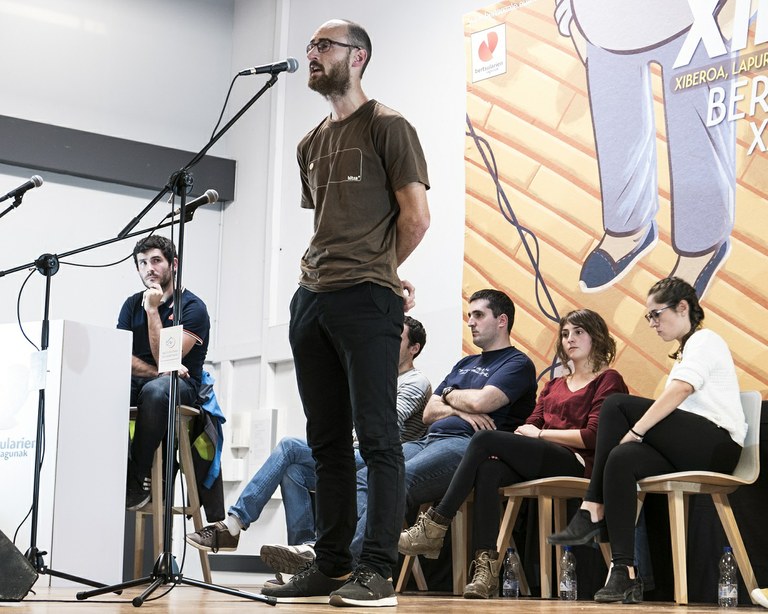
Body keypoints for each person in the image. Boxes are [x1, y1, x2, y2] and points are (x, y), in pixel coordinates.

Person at [261, 18, 431, 607]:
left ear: (357, 56)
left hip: (366, 299)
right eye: (310, 45)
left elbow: (416, 218)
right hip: (311, 299)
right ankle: (332, 565)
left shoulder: (389, 126)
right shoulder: (309, 143)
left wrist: (381, 270)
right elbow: (329, 222)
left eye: (324, 45)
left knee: (378, 436)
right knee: (326, 440)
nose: (312, 53)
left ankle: (378, 570)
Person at [398, 308, 627, 598]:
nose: (570, 339)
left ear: (597, 337)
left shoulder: (608, 379)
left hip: (578, 462)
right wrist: (528, 437)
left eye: (578, 332)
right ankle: (485, 570)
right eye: (565, 334)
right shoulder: (554, 384)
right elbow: (528, 426)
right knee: (488, 468)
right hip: (544, 456)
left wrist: (540, 435)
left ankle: (436, 523)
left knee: (484, 439)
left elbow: (593, 436)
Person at [548, 277, 746, 603]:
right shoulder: (684, 352)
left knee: (615, 404)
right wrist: (632, 440)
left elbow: (681, 390)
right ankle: (623, 570)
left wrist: (637, 431)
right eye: (648, 316)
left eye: (656, 314)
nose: (652, 323)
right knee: (621, 459)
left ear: (682, 308)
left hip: (717, 446)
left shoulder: (705, 340)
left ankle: (591, 508)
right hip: (689, 447)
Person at [185, 317, 431, 577]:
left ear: (413, 348)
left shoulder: (416, 381)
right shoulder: (378, 380)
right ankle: (302, 556)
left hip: (379, 461)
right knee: (293, 471)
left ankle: (234, 525)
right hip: (354, 455)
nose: (386, 343)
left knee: (289, 446)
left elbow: (384, 425)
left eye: (397, 338)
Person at [352, 289, 537, 572]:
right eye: (469, 315)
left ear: (502, 320)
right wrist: (458, 408)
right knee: (366, 476)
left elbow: (482, 402)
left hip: (468, 446)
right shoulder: (464, 363)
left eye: (478, 315)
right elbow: (429, 412)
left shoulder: (517, 363)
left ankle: (354, 561)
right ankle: (334, 554)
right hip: (429, 439)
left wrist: (449, 395)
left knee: (398, 478)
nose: (471, 322)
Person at [118, 235, 210, 510]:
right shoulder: (130, 305)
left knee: (157, 392)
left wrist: (152, 310)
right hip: (148, 379)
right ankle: (114, 468)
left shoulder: (192, 307)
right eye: (143, 263)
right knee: (99, 386)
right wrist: (156, 372)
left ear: (174, 264)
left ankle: (137, 478)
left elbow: (167, 359)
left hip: (182, 385)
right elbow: (119, 355)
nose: (149, 268)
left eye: (156, 260)